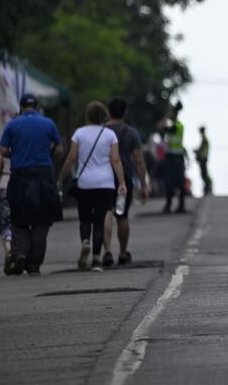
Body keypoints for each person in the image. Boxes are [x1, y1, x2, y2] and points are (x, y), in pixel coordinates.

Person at [0, 93, 63, 276]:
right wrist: (46, 154)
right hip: (43, 176)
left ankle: (21, 253)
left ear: (21, 107)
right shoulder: (48, 123)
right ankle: (34, 264)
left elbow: (2, 151)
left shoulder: (12, 125)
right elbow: (59, 149)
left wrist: (16, 154)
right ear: (37, 107)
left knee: (19, 219)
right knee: (42, 221)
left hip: (19, 177)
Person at [58, 101, 127, 272]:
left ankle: (85, 242)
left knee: (85, 219)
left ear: (87, 115)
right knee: (99, 221)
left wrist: (60, 178)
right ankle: (96, 259)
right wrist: (122, 182)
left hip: (85, 184)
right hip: (105, 184)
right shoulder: (110, 135)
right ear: (104, 115)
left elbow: (71, 158)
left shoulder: (79, 134)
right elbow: (115, 160)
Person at [102, 97, 151, 267]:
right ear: (125, 113)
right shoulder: (131, 133)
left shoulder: (101, 131)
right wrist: (144, 185)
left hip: (104, 179)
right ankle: (122, 253)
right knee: (122, 216)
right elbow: (138, 160)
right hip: (124, 181)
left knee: (106, 212)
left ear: (108, 111)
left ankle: (107, 251)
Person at [157, 101, 187, 213]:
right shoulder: (172, 126)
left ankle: (180, 206)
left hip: (176, 157)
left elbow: (162, 127)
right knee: (170, 182)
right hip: (171, 157)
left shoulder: (177, 126)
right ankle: (170, 205)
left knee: (178, 182)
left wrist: (168, 115)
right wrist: (168, 115)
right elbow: (159, 127)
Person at [194, 125, 213, 196]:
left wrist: (197, 152)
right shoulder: (204, 139)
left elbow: (201, 149)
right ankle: (207, 187)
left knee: (204, 174)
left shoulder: (204, 139)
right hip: (203, 158)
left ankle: (208, 187)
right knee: (204, 173)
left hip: (203, 158)